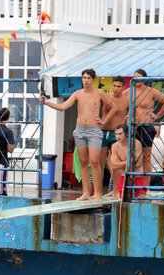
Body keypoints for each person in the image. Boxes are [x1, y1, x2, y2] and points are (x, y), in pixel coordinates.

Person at [40, 68, 115, 202]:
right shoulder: (77, 94)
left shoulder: (99, 93)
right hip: (80, 130)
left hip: (94, 131)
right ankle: (86, 192)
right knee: (83, 162)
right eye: (84, 77)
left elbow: (113, 106)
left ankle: (97, 193)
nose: (86, 80)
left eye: (88, 78)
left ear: (93, 80)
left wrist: (104, 121)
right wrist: (46, 102)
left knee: (95, 161)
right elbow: (63, 107)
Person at [126, 68, 164, 181]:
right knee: (132, 157)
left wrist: (157, 115)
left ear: (145, 79)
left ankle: (146, 188)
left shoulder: (150, 91)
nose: (137, 79)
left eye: (139, 77)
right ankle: (132, 186)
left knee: (146, 157)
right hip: (133, 126)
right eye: (135, 76)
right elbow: (116, 101)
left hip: (146, 125)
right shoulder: (128, 91)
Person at [100, 76, 128, 190]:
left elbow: (135, 113)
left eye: (118, 86)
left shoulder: (126, 100)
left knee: (113, 162)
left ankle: (116, 189)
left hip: (116, 133)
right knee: (100, 162)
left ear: (123, 87)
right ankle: (98, 191)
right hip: (103, 131)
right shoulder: (105, 97)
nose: (116, 89)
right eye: (114, 86)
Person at [109, 122, 146, 199]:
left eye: (120, 134)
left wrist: (121, 164)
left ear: (126, 134)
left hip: (137, 177)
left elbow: (138, 163)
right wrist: (129, 161)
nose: (117, 137)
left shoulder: (136, 143)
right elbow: (114, 166)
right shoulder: (115, 146)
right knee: (124, 204)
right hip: (124, 178)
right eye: (116, 134)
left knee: (140, 202)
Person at [0, 107, 15, 196]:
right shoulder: (8, 131)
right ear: (8, 117)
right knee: (1, 191)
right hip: (2, 162)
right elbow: (10, 149)